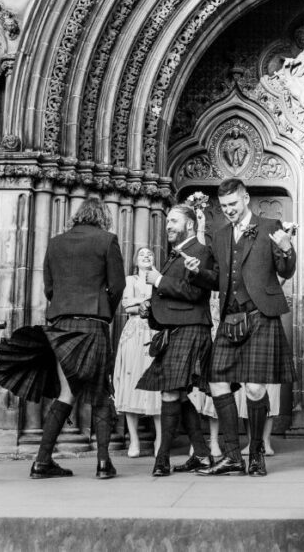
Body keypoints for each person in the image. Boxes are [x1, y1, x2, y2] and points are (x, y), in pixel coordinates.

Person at [184, 177, 297, 476]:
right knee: (217, 382)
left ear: (246, 198)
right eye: (224, 206)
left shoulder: (270, 226)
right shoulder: (219, 235)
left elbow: (286, 269)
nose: (229, 210)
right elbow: (219, 276)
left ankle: (256, 453)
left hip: (260, 314)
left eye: (233, 204)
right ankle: (233, 456)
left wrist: (286, 249)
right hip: (230, 318)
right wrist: (197, 274)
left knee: (256, 387)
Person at [32, 198, 126, 479]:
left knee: (66, 393)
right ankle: (103, 463)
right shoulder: (107, 240)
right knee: (101, 394)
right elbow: (118, 285)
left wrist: (64, 303)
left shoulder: (55, 243)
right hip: (93, 324)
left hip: (61, 325)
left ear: (78, 216)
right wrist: (103, 307)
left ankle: (41, 461)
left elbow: (49, 287)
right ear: (102, 217)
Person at [136, 205, 216, 476]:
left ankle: (162, 459)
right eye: (167, 221)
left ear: (190, 225)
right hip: (177, 328)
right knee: (177, 394)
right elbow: (175, 294)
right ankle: (203, 455)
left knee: (170, 391)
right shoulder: (177, 253)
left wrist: (158, 279)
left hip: (191, 328)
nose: (168, 225)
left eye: (173, 221)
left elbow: (195, 294)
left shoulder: (200, 251)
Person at [113, 247, 162, 458]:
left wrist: (141, 303)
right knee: (131, 383)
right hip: (134, 332)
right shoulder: (130, 279)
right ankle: (134, 440)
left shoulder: (159, 278)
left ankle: (160, 438)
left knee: (157, 386)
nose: (146, 257)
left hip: (155, 332)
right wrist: (144, 303)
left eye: (149, 255)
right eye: (142, 255)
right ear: (135, 260)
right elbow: (126, 306)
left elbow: (163, 304)